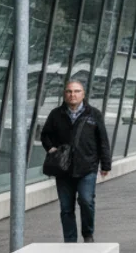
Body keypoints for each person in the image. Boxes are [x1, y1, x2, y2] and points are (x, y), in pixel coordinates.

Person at [41, 81, 112, 243]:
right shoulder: (56, 114)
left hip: (87, 166)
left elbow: (103, 140)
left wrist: (105, 164)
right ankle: (70, 240)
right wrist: (51, 148)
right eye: (69, 91)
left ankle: (88, 234)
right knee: (66, 207)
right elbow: (45, 135)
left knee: (86, 201)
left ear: (83, 94)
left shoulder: (93, 114)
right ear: (64, 94)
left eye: (77, 91)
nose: (73, 95)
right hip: (63, 168)